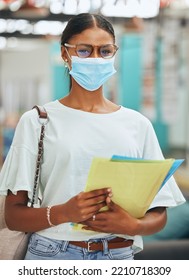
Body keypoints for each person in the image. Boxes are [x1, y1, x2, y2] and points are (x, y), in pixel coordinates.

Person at [0, 13, 185, 260]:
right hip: (53, 254)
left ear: (114, 53)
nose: (96, 59)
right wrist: (64, 212)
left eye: (105, 51)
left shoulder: (137, 124)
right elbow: (13, 216)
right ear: (65, 54)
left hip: (119, 255)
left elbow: (159, 213)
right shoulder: (37, 121)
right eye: (85, 51)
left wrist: (133, 226)